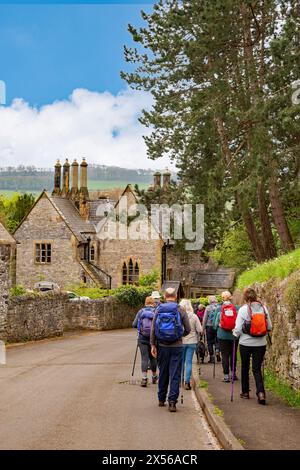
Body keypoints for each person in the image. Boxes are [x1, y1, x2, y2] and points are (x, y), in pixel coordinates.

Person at [151, 287, 191, 412]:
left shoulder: (158, 309)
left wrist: (153, 345)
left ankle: (161, 399)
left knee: (163, 372)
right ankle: (172, 402)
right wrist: (180, 336)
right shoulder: (181, 309)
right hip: (177, 347)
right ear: (175, 296)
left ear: (164, 296)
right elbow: (188, 329)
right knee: (175, 374)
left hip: (162, 346)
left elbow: (153, 328)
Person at [233, 287, 272, 405]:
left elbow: (238, 329)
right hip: (261, 343)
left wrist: (234, 334)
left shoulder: (243, 309)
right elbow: (269, 326)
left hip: (245, 343)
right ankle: (261, 393)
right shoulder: (263, 308)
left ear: (245, 298)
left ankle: (245, 392)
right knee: (256, 369)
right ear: (255, 296)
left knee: (245, 367)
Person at [213, 291, 239, 383]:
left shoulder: (219, 308)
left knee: (224, 355)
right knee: (233, 354)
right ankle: (233, 374)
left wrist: (216, 329)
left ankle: (226, 376)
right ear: (230, 298)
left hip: (222, 335)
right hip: (234, 335)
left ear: (222, 298)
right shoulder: (236, 308)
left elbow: (215, 324)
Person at [132, 296, 158, 387]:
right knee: (153, 358)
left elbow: (134, 324)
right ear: (153, 303)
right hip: (154, 339)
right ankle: (154, 377)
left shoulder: (141, 312)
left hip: (142, 339)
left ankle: (144, 379)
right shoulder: (156, 311)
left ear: (145, 302)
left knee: (144, 358)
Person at [180, 299, 203, 390]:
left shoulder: (179, 316)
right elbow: (200, 330)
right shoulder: (194, 316)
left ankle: (179, 380)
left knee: (181, 362)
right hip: (192, 341)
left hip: (181, 341)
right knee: (188, 362)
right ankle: (187, 382)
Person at [203, 296, 221, 363]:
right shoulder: (219, 307)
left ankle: (212, 357)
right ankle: (217, 350)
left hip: (209, 326)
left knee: (209, 342)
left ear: (209, 301)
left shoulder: (208, 308)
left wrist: (203, 328)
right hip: (217, 326)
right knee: (217, 340)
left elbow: (205, 319)